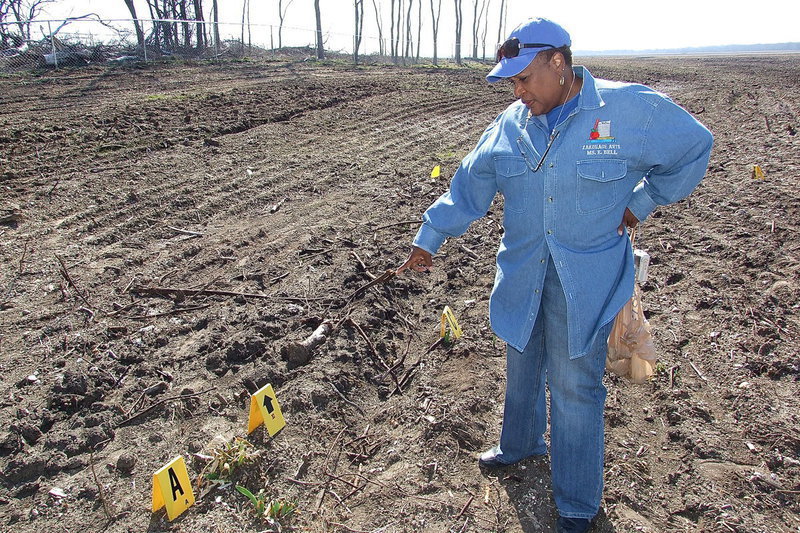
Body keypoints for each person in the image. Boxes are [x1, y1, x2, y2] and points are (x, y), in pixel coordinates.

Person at [396, 17, 713, 533]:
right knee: (521, 362)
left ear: (558, 62)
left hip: (583, 279)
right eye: (512, 82)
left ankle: (576, 505)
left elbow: (694, 145)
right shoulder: (510, 126)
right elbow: (470, 184)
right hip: (524, 274)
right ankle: (520, 444)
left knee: (573, 389)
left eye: (524, 78)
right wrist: (428, 237)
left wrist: (643, 202)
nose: (517, 91)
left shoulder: (626, 109)